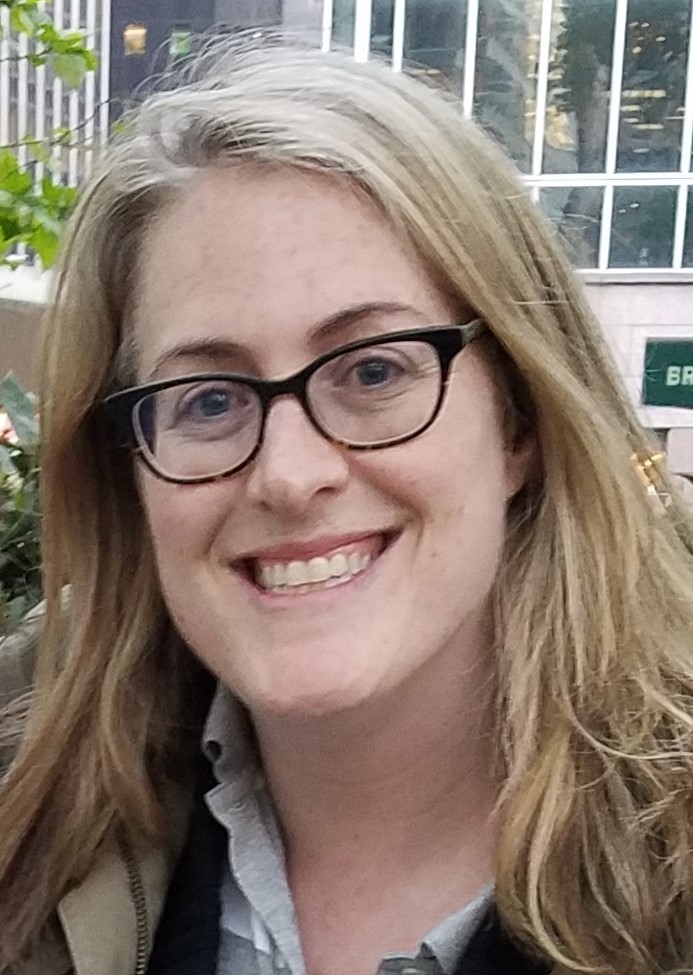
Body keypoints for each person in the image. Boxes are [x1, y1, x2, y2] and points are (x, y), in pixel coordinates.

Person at [2, 36, 693, 975]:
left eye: (373, 371)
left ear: (520, 419)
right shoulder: (27, 816)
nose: (289, 476)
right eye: (209, 399)